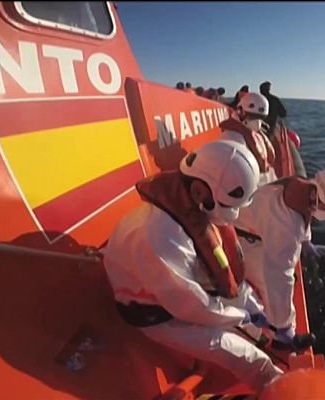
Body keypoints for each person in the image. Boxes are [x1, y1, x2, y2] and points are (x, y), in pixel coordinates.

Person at [102, 140, 283, 391]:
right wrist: (242, 315)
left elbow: (217, 276)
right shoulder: (161, 236)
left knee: (249, 321)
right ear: (200, 192)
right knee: (250, 358)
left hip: (177, 290)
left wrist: (255, 309)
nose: (234, 215)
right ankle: (277, 389)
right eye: (230, 207)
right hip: (156, 315)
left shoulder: (193, 211)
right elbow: (192, 307)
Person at [233, 169, 325, 349]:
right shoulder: (286, 225)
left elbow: (307, 212)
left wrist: (306, 241)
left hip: (254, 225)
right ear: (316, 195)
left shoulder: (304, 188)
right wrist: (284, 326)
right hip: (246, 241)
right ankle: (281, 337)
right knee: (271, 286)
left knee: (280, 282)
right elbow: (279, 276)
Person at [221, 92, 277, 186]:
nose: (257, 122)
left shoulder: (258, 134)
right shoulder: (232, 138)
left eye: (259, 118)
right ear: (240, 111)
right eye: (252, 117)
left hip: (266, 182)